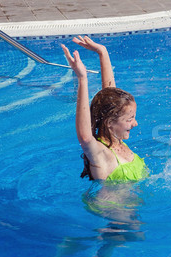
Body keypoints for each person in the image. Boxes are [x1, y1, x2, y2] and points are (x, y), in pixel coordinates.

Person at [61, 36, 148, 181]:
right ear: (109, 122)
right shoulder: (102, 155)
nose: (135, 123)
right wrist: (82, 79)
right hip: (109, 205)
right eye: (130, 119)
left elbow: (111, 99)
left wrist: (103, 52)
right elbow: (85, 137)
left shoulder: (117, 141)